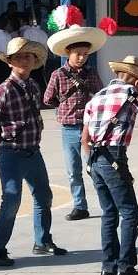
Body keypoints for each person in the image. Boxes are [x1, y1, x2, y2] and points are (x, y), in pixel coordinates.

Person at [82, 55, 138, 275]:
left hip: (95, 159)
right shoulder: (132, 95)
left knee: (109, 213)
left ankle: (108, 267)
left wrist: (89, 163)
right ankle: (126, 269)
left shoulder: (96, 97)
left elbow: (84, 138)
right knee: (129, 213)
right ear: (135, 77)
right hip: (115, 157)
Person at [0, 37, 67, 266]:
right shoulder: (4, 90)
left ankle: (42, 240)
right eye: (18, 57)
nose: (24, 60)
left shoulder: (32, 86)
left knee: (43, 196)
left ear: (34, 60)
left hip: (32, 151)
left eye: (28, 56)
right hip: (11, 152)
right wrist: (4, 135)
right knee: (11, 200)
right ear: (10, 62)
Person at [44, 25, 106, 222]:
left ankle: (107, 204)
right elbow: (48, 98)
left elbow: (100, 95)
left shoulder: (92, 73)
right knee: (73, 169)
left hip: (91, 127)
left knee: (95, 166)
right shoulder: (58, 75)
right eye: (78, 54)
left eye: (85, 54)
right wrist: (63, 108)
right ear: (68, 53)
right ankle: (80, 206)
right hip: (69, 127)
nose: (81, 58)